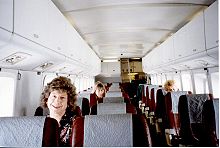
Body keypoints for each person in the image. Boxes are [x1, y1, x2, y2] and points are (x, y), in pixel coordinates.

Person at [39, 76, 81, 147]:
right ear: (46, 100)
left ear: (68, 102)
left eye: (62, 98)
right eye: (54, 96)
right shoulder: (40, 123)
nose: (57, 101)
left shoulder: (76, 125)